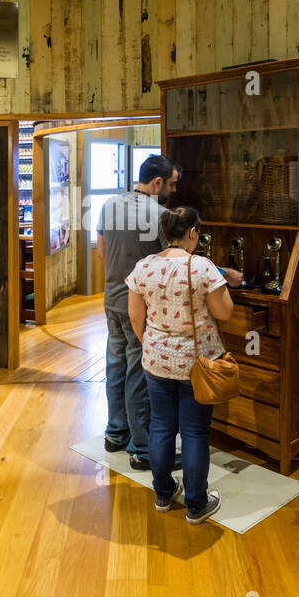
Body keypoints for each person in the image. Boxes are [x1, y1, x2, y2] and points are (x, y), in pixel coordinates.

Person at [125, 206, 234, 525]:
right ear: (192, 233)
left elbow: (135, 315)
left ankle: (163, 494)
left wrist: (149, 344)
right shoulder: (202, 267)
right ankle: (196, 505)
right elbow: (224, 312)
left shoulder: (143, 266)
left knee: (160, 426)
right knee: (195, 433)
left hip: (157, 360)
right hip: (196, 364)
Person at [95, 154, 180, 470]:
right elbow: (168, 264)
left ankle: (115, 433)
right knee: (138, 373)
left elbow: (101, 252)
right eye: (170, 184)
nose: (171, 190)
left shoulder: (108, 206)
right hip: (139, 307)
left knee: (115, 365)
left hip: (111, 299)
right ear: (157, 182)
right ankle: (142, 449)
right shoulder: (160, 215)